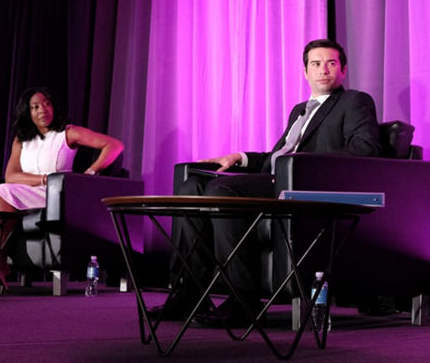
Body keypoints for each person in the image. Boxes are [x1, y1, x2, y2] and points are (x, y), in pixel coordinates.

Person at [154, 38, 383, 326]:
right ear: (305, 72)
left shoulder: (355, 101)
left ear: (343, 70)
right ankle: (188, 293)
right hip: (276, 177)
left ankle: (243, 299)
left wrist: (299, 165)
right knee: (192, 187)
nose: (323, 69)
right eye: (316, 63)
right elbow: (276, 156)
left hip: (304, 185)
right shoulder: (300, 110)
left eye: (331, 63)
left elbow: (364, 149)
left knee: (221, 190)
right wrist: (240, 157)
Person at [0, 87, 124, 294]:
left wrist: (92, 171)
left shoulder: (68, 133)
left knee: (2, 191)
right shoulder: (21, 139)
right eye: (35, 107)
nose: (43, 110)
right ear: (28, 112)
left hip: (56, 194)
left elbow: (114, 145)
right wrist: (43, 178)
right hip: (25, 190)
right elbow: (12, 175)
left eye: (46, 104)